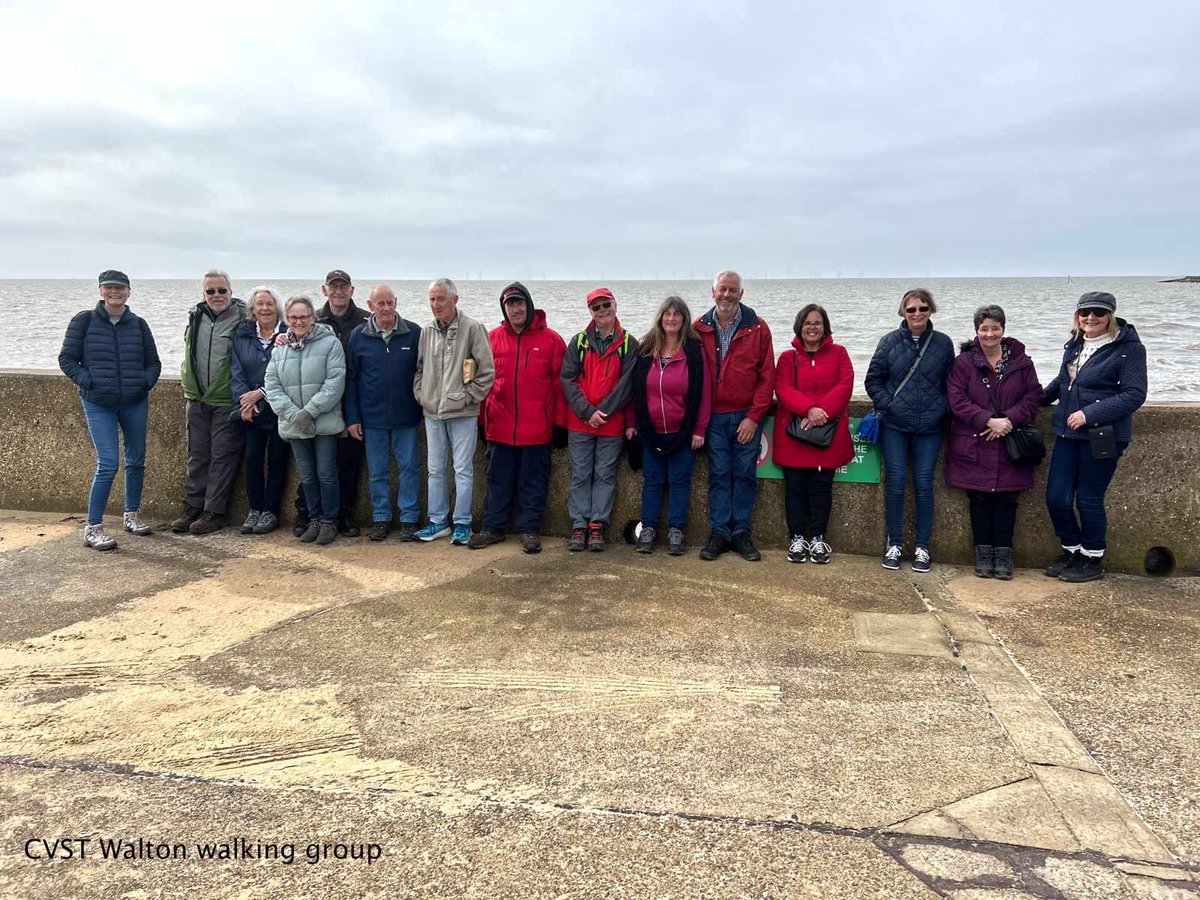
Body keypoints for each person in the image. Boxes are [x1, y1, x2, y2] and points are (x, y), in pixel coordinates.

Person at [1040, 292, 1147, 582]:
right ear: (1078, 314)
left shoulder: (1128, 348)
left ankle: (1092, 558)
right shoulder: (1075, 343)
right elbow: (1064, 381)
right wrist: (1031, 400)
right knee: (1056, 497)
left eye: (1098, 313)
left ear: (1110, 315)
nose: (1091, 318)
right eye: (1085, 312)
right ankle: (1072, 551)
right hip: (1066, 433)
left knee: (1088, 497)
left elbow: (1134, 394)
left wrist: (1090, 414)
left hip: (1103, 435)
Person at [58, 270, 161, 550]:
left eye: (120, 288)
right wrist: (89, 381)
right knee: (108, 465)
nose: (115, 292)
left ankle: (132, 515)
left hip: (134, 401)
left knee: (136, 460)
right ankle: (93, 528)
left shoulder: (138, 324)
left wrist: (144, 382)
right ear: (101, 290)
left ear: (128, 292)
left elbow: (154, 362)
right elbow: (67, 359)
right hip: (98, 402)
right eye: (109, 288)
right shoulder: (84, 320)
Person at [944, 305, 1042, 579]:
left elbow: (1033, 397)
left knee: (1008, 499)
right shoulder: (963, 363)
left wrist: (1007, 420)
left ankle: (1004, 552)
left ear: (1003, 330)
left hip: (1010, 441)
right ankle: (983, 552)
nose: (989, 334)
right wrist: (987, 420)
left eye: (995, 328)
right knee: (979, 498)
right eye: (984, 328)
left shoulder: (1022, 362)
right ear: (976, 330)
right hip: (975, 440)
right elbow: (957, 399)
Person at [471, 282, 567, 554]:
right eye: (510, 304)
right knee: (496, 480)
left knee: (533, 482)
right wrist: (481, 421)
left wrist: (560, 423)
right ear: (504, 308)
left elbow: (562, 386)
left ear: (529, 305)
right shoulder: (491, 338)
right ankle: (493, 528)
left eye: (520, 303)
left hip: (537, 428)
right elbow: (481, 383)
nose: (516, 308)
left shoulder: (551, 340)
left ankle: (529, 530)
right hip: (499, 427)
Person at [865, 288, 955, 572]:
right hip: (895, 425)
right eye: (911, 309)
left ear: (931, 310)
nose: (917, 314)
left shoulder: (943, 344)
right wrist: (888, 404)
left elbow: (952, 384)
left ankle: (922, 547)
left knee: (924, 483)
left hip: (930, 426)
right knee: (895, 482)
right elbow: (873, 380)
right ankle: (894, 543)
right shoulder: (889, 342)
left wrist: (940, 408)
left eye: (923, 308)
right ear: (903, 312)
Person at [694, 270, 775, 561]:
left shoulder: (759, 328)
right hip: (713, 417)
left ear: (741, 294)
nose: (726, 295)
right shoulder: (698, 328)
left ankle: (740, 532)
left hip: (745, 417)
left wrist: (754, 417)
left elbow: (768, 377)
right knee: (718, 476)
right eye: (722, 289)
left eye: (732, 290)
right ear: (712, 291)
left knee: (744, 475)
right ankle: (719, 533)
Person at [625, 295, 711, 556]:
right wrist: (631, 423)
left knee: (679, 482)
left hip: (682, 433)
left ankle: (676, 530)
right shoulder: (645, 349)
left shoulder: (694, 353)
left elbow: (704, 393)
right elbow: (634, 390)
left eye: (677, 314)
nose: (671, 319)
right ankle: (648, 529)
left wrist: (699, 429)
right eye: (667, 314)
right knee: (652, 482)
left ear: (684, 319)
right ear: (660, 318)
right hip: (650, 432)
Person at [413, 277, 495, 545]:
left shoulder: (473, 328)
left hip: (462, 414)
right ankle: (437, 521)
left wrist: (466, 399)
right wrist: (422, 395)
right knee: (435, 469)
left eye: (440, 298)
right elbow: (420, 369)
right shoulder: (427, 331)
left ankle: (462, 523)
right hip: (432, 413)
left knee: (462, 469)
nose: (435, 304)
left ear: (454, 299)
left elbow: (486, 373)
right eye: (432, 299)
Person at [771, 304, 854, 565]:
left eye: (817, 323)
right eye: (808, 323)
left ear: (825, 326)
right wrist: (808, 409)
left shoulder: (839, 353)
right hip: (794, 433)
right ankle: (797, 537)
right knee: (794, 488)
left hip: (826, 433)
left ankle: (818, 537)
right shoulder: (787, 358)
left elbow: (846, 383)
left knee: (821, 488)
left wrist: (823, 412)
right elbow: (782, 388)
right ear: (799, 326)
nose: (813, 327)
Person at [264, 296, 347, 546]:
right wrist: (293, 415)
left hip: (323, 421)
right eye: (293, 317)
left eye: (303, 316)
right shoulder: (279, 350)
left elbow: (335, 383)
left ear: (312, 318)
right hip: (294, 424)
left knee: (326, 473)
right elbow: (272, 385)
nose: (298, 321)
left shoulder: (331, 343)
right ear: (287, 319)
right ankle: (314, 518)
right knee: (307, 475)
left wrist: (309, 412)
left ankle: (329, 521)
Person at [292, 269, 369, 537]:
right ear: (325, 290)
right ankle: (306, 514)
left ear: (351, 290)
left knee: (348, 463)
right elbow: (292, 344)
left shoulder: (365, 320)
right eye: (333, 287)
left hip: (350, 402)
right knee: (311, 466)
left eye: (343, 286)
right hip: (317, 403)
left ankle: (344, 515)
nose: (338, 291)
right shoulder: (314, 321)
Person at [344, 284, 423, 542]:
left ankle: (409, 518)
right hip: (372, 418)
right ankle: (381, 518)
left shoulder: (414, 333)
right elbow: (351, 379)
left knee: (408, 468)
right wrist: (352, 417)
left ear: (396, 302)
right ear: (370, 306)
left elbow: (424, 373)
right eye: (381, 304)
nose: (387, 308)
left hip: (406, 416)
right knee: (377, 470)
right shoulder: (358, 335)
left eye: (391, 302)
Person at [561, 287, 637, 551]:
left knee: (605, 475)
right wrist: (587, 411)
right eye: (596, 307)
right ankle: (579, 525)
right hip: (580, 423)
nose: (602, 310)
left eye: (606, 305)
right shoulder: (578, 341)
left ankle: (597, 527)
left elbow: (627, 384)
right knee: (580, 475)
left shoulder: (628, 343)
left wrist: (601, 412)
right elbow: (567, 379)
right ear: (590, 312)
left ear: (615, 305)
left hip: (611, 424)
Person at [172, 269, 246, 535]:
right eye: (211, 291)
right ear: (203, 293)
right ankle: (193, 506)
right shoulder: (196, 316)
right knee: (197, 455)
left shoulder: (241, 317)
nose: (217, 295)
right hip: (197, 397)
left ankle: (214, 511)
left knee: (222, 457)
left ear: (230, 291)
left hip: (226, 399)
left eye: (221, 290)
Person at [229, 286, 289, 535]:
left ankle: (270, 511)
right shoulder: (241, 334)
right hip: (250, 411)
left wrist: (261, 393)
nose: (265, 308)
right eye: (260, 304)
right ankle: (255, 508)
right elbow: (236, 370)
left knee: (277, 460)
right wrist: (246, 401)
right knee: (252, 459)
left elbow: (288, 371)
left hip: (279, 408)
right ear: (252, 309)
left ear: (277, 307)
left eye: (269, 303)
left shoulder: (287, 334)